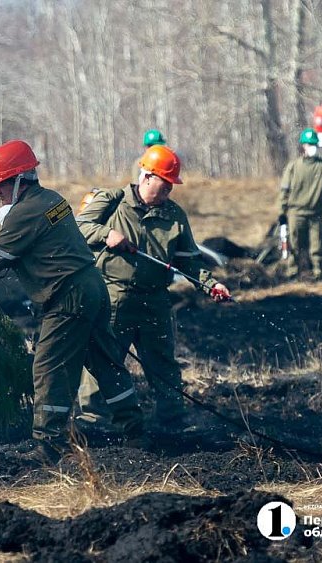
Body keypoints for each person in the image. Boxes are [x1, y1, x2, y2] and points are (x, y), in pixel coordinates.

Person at [0, 140, 145, 463]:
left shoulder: (24, 212)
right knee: (106, 362)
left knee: (48, 366)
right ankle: (134, 429)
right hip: (91, 287)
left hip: (67, 296)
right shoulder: (51, 200)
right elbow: (2, 250)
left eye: (3, 185)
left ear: (20, 180)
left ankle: (50, 443)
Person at [76, 145, 231, 428]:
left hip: (155, 303)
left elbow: (190, 263)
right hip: (113, 297)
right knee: (103, 360)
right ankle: (93, 421)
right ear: (147, 176)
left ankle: (172, 422)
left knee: (163, 365)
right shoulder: (111, 201)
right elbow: (77, 228)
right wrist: (105, 233)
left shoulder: (175, 216)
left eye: (172, 185)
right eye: (165, 183)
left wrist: (211, 285)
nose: (169, 190)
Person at [279, 128, 322, 279]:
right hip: (296, 214)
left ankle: (319, 274)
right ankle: (293, 274)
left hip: (316, 215)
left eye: (314, 144)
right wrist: (281, 213)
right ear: (303, 146)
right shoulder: (293, 167)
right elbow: (284, 190)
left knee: (317, 247)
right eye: (309, 144)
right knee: (294, 246)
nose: (312, 147)